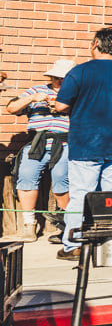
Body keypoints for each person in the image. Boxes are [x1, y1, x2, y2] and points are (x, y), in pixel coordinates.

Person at [53, 28, 112, 260]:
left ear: (95, 43)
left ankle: (73, 246)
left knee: (81, 195)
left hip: (85, 144)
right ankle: (111, 243)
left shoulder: (79, 72)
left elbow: (60, 106)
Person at [4, 58, 74, 237]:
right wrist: (32, 98)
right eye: (57, 77)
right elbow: (11, 108)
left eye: (64, 78)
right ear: (51, 77)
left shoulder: (76, 94)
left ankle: (67, 223)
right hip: (36, 142)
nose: (60, 81)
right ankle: (29, 224)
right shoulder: (37, 90)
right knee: (26, 175)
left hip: (65, 143)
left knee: (61, 178)